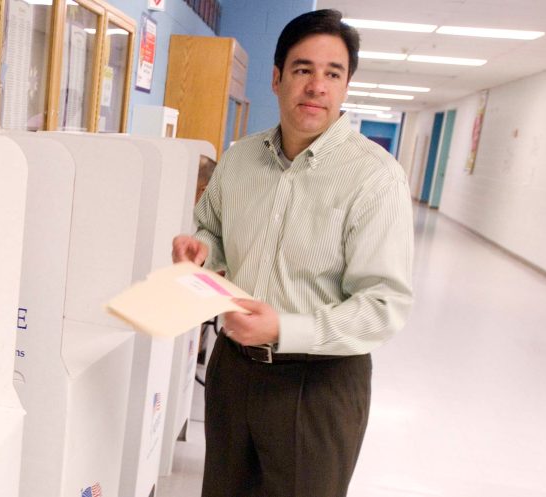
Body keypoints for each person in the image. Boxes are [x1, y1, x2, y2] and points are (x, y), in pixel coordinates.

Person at [171, 9, 414, 497]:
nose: (317, 86)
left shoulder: (375, 177)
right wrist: (200, 250)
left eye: (333, 74)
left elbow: (383, 307)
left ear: (346, 86)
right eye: (303, 70)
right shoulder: (239, 158)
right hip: (233, 370)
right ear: (278, 78)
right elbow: (212, 229)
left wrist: (284, 329)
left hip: (320, 384)